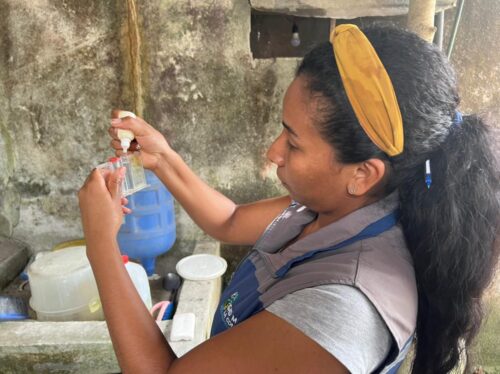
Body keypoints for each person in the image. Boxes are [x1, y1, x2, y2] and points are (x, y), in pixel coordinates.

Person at [78, 24, 499, 374]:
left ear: (362, 173)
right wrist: (163, 158)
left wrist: (100, 244)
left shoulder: (342, 309)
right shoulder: (340, 207)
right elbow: (228, 221)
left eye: (293, 144)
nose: (273, 153)